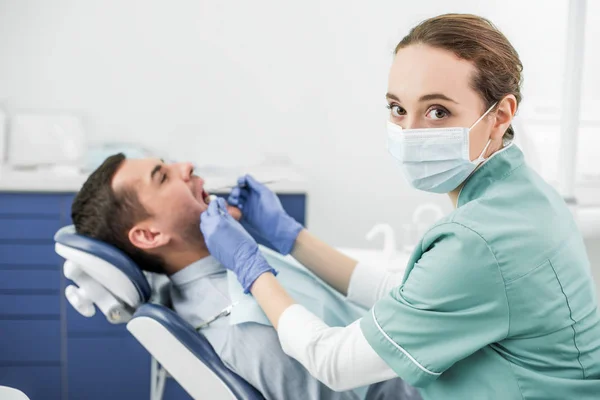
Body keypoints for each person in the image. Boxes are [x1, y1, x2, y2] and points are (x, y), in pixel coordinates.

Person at [200, 13, 600, 400]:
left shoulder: (481, 241)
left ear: (499, 116)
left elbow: (334, 362)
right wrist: (291, 236)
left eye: (437, 111)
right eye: (398, 108)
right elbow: (414, 295)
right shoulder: (526, 196)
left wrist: (250, 268)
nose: (409, 133)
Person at [70, 153, 420, 400]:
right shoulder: (243, 324)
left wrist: (289, 236)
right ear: (148, 236)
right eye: (162, 176)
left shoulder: (223, 266)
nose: (186, 165)